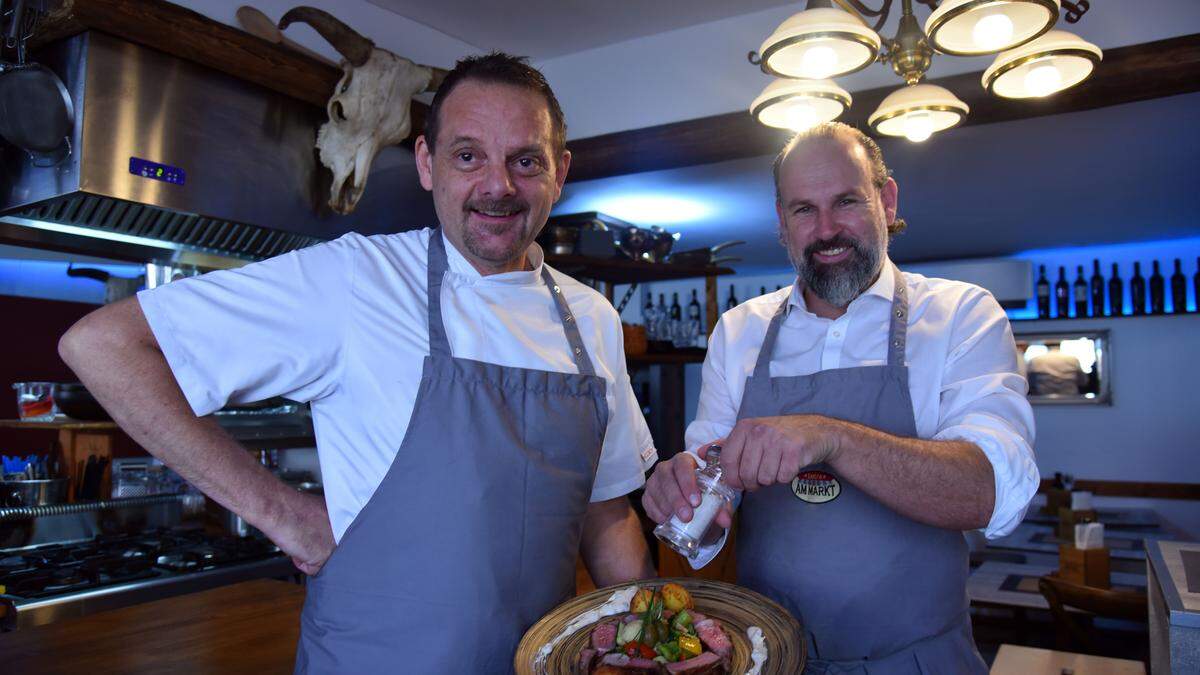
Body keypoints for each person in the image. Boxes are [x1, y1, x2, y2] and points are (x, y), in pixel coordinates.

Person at [58, 53, 657, 672]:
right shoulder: (355, 277)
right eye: (468, 155)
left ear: (559, 172)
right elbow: (103, 345)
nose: (498, 186)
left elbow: (606, 511)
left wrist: (649, 636)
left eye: (525, 160)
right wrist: (284, 515)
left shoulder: (591, 320)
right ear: (427, 163)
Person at [642, 123, 1038, 673]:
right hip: (773, 658)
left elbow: (989, 494)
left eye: (846, 201)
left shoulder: (961, 315)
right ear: (781, 223)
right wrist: (685, 497)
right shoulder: (739, 331)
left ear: (886, 199)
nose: (827, 230)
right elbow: (713, 512)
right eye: (804, 210)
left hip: (919, 660)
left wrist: (829, 436)